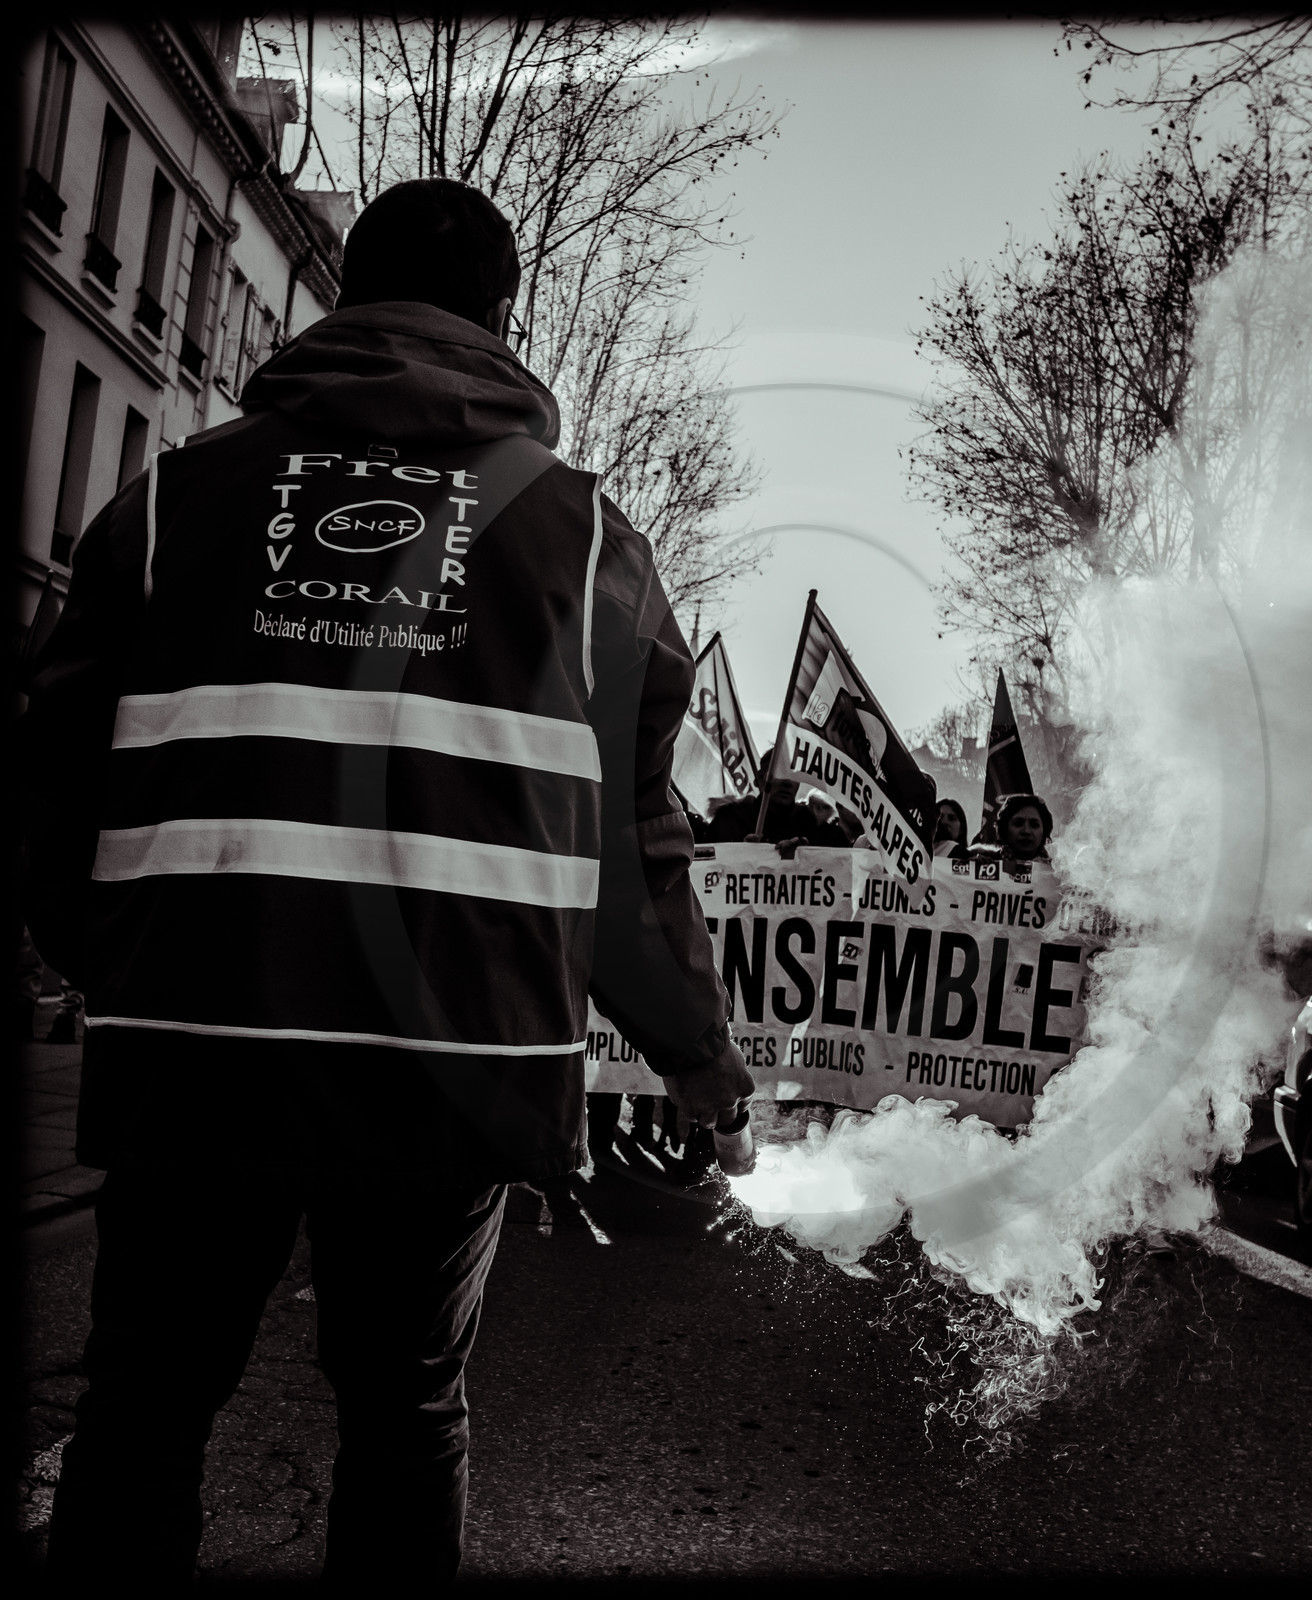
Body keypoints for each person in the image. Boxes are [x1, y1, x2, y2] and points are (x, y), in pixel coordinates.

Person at [19, 177, 753, 1588]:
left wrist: (124, 965)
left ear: (339, 304)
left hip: (200, 1043)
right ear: (501, 318)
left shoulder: (173, 499)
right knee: (405, 1414)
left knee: (146, 1409)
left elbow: (49, 784)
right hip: (454, 1061)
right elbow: (628, 851)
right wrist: (701, 1062)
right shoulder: (589, 544)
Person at [704, 749, 849, 849]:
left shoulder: (814, 827)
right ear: (760, 779)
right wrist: (740, 850)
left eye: (794, 775)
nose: (788, 782)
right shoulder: (731, 819)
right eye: (780, 773)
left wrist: (807, 852)